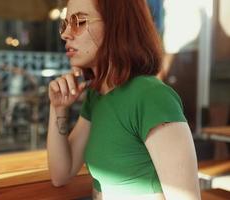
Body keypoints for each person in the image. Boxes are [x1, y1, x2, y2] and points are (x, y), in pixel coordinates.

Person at [46, 0, 201, 199]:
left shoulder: (151, 96)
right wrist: (58, 108)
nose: (65, 34)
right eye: (65, 24)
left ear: (116, 25)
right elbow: (61, 175)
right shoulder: (96, 96)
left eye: (79, 21)